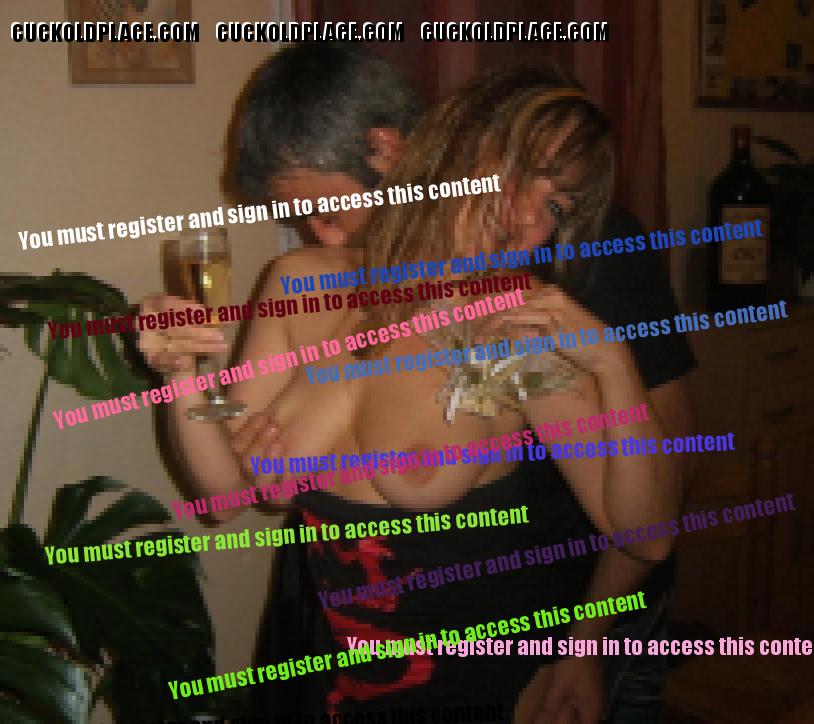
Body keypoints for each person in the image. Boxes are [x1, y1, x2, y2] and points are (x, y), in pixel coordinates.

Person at [140, 45, 694, 723]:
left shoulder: (512, 326)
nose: (531, 220)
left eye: (557, 204)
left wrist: (612, 363)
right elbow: (222, 495)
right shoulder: (300, 283)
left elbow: (647, 536)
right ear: (454, 149)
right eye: (518, 176)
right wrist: (182, 378)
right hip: (343, 696)